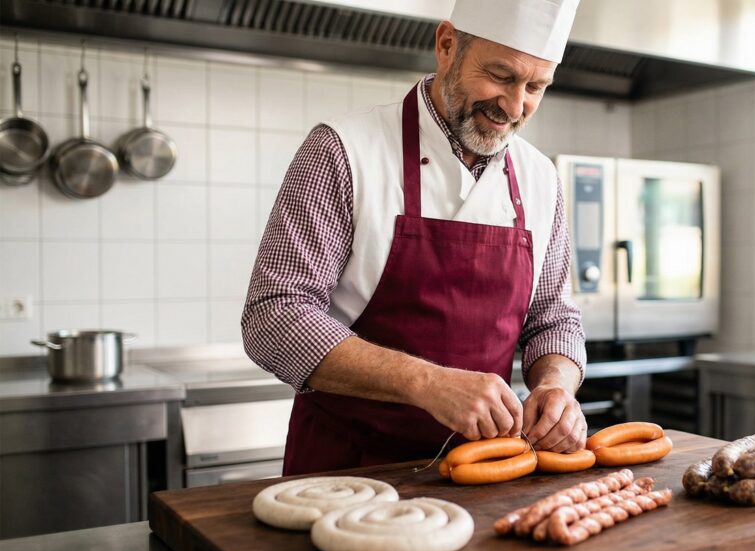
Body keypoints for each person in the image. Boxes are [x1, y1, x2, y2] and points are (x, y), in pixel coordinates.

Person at [242, 0, 587, 475]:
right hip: (347, 472)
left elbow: (552, 316)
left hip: (486, 472)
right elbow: (274, 316)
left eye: (535, 87)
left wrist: (556, 386)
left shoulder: (541, 177)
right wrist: (427, 383)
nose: (514, 105)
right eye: (502, 76)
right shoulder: (343, 151)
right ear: (447, 45)